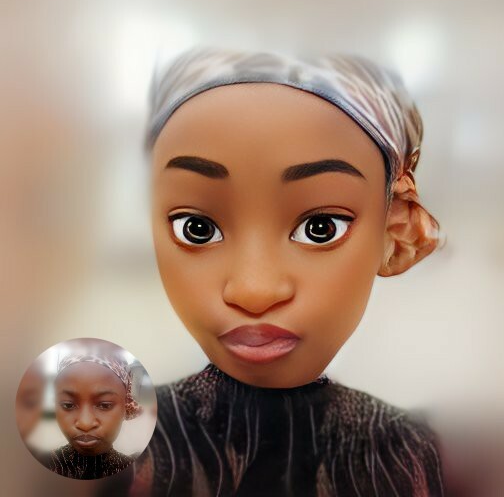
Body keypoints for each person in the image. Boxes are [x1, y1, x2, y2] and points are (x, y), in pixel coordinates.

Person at [130, 47, 445, 496]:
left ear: (394, 228)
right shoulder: (123, 443)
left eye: (321, 228)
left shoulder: (406, 451)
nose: (254, 291)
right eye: (197, 228)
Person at [48, 349, 143, 480]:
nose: (85, 424)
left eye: (104, 405)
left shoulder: (138, 473)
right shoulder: (42, 466)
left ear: (125, 407)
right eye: (68, 405)